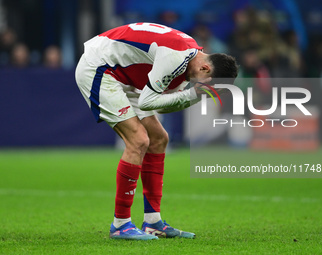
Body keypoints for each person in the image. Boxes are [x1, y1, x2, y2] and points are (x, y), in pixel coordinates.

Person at [75, 22, 238, 240]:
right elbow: (148, 101)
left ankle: (153, 222)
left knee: (159, 138)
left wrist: (193, 95)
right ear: (206, 69)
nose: (208, 91)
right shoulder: (176, 57)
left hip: (124, 76)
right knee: (139, 140)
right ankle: (121, 224)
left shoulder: (188, 60)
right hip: (100, 68)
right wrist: (193, 95)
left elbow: (160, 105)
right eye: (210, 86)